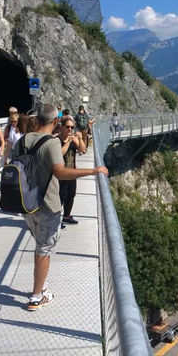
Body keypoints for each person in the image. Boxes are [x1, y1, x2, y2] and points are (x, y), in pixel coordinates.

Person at [13, 103, 108, 311]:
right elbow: (60, 172)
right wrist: (93, 171)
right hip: (47, 205)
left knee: (41, 247)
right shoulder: (52, 143)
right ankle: (37, 297)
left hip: (26, 205)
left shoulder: (21, 141)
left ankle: (42, 285)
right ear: (56, 121)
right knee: (44, 250)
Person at [57, 116, 85, 227]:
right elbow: (60, 154)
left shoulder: (73, 140)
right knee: (60, 196)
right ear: (62, 127)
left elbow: (82, 150)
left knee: (71, 195)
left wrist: (81, 139)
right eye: (67, 127)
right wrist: (68, 142)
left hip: (72, 172)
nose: (70, 129)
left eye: (72, 127)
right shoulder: (57, 140)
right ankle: (55, 220)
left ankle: (67, 216)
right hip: (60, 174)